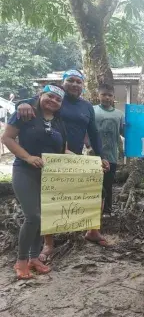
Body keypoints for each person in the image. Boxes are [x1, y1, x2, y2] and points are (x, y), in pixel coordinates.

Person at [16, 69, 109, 260]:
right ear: (63, 82)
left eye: (79, 81)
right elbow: (27, 103)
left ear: (83, 85)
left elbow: (94, 133)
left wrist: (101, 156)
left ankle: (92, 231)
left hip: (73, 157)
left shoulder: (86, 107)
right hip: (50, 159)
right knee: (50, 199)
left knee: (99, 192)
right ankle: (48, 244)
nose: (75, 84)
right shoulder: (54, 99)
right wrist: (22, 104)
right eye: (71, 80)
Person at [1, 84, 68, 279]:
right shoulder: (25, 113)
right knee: (33, 216)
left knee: (43, 217)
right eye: (50, 96)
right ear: (40, 95)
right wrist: (28, 157)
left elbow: (64, 151)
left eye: (58, 99)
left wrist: (92, 163)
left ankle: (33, 258)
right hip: (24, 171)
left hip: (48, 176)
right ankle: (21, 261)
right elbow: (7, 138)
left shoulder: (59, 122)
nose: (53, 101)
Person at [92, 83, 124, 216]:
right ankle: (92, 211)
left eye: (109, 95)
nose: (106, 97)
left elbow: (123, 132)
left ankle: (107, 211)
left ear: (113, 97)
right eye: (103, 94)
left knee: (108, 185)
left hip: (111, 155)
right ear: (98, 95)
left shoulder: (119, 114)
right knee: (93, 185)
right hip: (92, 156)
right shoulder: (91, 110)